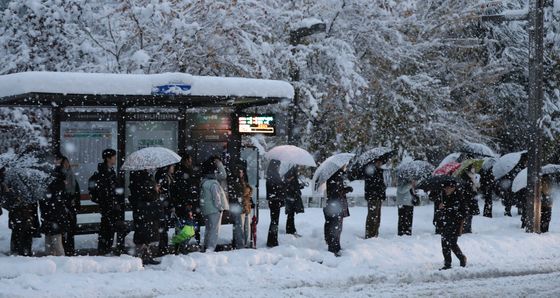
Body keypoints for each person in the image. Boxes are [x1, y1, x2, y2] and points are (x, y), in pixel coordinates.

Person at [95, 149, 126, 255]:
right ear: (108, 158)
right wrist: (112, 202)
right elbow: (106, 191)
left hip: (110, 206)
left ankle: (105, 249)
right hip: (109, 207)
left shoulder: (109, 171)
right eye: (113, 157)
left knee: (109, 229)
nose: (115, 159)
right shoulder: (105, 172)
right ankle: (104, 250)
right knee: (107, 229)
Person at [1, 167, 37, 256]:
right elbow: (7, 200)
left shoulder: (11, 178)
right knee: (22, 233)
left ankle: (20, 252)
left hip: (21, 213)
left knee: (21, 233)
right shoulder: (8, 180)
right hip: (20, 213)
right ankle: (22, 252)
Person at [129, 170, 161, 265]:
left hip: (141, 211)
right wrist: (155, 191)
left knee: (143, 233)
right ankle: (144, 256)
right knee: (145, 233)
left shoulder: (136, 178)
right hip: (145, 211)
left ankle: (144, 255)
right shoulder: (143, 180)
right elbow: (148, 196)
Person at [434, 182, 468, 270]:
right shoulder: (442, 196)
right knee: (447, 243)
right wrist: (440, 207)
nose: (446, 190)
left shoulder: (458, 197)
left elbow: (462, 212)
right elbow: (440, 209)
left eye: (448, 188)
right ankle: (453, 261)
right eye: (445, 188)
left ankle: (452, 262)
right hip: (445, 223)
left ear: (453, 188)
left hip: (454, 224)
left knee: (450, 243)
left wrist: (446, 208)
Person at [199, 157, 229, 252]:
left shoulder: (203, 182)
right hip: (214, 210)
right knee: (214, 230)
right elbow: (217, 198)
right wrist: (220, 208)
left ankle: (206, 246)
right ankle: (211, 248)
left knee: (208, 229)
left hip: (206, 209)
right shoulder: (213, 183)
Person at [324, 167, 352, 256]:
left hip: (331, 205)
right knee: (335, 226)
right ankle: (334, 248)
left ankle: (334, 245)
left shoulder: (332, 175)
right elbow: (335, 191)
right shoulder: (335, 176)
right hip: (335, 205)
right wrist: (346, 190)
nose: (346, 166)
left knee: (332, 225)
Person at [40, 166, 68, 256]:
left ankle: (49, 261)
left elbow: (44, 201)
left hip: (47, 217)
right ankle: (61, 263)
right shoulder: (59, 184)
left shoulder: (46, 182)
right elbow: (59, 203)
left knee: (49, 243)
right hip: (56, 218)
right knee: (57, 244)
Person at [60, 156, 80, 256]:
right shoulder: (60, 175)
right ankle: (65, 249)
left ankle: (71, 249)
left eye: (67, 162)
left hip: (71, 206)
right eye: (64, 163)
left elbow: (76, 190)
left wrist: (75, 201)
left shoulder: (71, 174)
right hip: (64, 206)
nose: (66, 164)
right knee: (64, 229)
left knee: (71, 229)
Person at [155, 164, 175, 255]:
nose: (173, 168)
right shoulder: (163, 176)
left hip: (165, 205)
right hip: (163, 205)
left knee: (164, 227)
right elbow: (164, 192)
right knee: (163, 227)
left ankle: (163, 248)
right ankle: (163, 248)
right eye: (172, 166)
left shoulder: (166, 176)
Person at [364, 159, 386, 239]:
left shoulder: (379, 171)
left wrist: (382, 189)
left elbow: (380, 184)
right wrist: (380, 187)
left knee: (377, 215)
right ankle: (370, 234)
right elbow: (372, 184)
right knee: (373, 215)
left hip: (378, 196)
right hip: (373, 196)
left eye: (381, 162)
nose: (380, 163)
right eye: (378, 162)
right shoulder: (371, 171)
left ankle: (375, 232)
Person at [266, 159, 285, 247]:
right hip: (274, 201)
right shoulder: (272, 175)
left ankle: (273, 240)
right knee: (274, 221)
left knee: (274, 221)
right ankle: (272, 241)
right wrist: (281, 185)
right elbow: (274, 188)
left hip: (274, 200)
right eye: (278, 165)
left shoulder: (272, 174)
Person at [227, 162, 246, 249]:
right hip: (235, 204)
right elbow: (240, 192)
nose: (242, 173)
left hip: (235, 204)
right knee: (238, 225)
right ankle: (239, 244)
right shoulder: (236, 182)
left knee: (238, 224)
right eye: (241, 172)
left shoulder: (234, 180)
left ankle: (238, 243)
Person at [284, 166, 305, 236]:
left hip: (291, 198)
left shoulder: (292, 176)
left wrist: (300, 186)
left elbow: (293, 186)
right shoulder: (291, 176)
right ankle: (290, 230)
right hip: (291, 199)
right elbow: (291, 186)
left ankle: (291, 229)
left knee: (291, 215)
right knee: (291, 215)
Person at [458, 166, 479, 234]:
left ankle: (468, 228)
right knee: (466, 214)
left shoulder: (472, 176)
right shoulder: (465, 176)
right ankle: (465, 229)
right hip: (467, 199)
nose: (474, 169)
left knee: (470, 214)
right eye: (472, 168)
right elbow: (466, 188)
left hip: (470, 199)